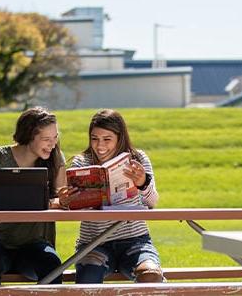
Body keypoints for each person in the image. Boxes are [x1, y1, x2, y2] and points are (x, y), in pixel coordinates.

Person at [59, 109, 164, 283]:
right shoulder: (81, 162)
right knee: (88, 275)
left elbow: (152, 202)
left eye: (107, 139)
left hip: (135, 241)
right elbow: (74, 208)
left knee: (150, 275)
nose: (100, 146)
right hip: (94, 243)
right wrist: (66, 201)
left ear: (120, 138)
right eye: (94, 139)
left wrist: (143, 183)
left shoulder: (138, 158)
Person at [0, 106, 69, 284]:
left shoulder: (56, 159)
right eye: (46, 139)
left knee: (52, 264)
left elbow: (62, 201)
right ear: (28, 136)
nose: (53, 144)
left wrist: (61, 201)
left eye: (55, 138)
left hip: (35, 245)